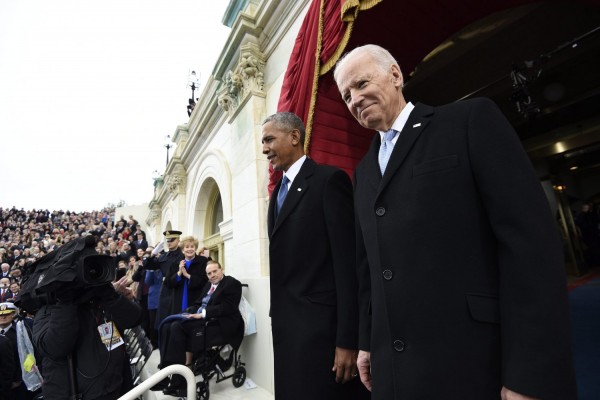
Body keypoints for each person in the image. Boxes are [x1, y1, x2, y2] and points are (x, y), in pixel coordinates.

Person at [333, 44, 577, 400]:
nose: (355, 98)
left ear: (396, 75)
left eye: (361, 83)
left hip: (473, 363)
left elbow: (530, 248)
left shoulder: (467, 122)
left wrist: (531, 373)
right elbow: (368, 268)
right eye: (346, 95)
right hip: (394, 373)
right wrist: (368, 342)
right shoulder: (364, 171)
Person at [262, 112, 368, 399]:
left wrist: (349, 340)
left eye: (270, 139)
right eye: (263, 141)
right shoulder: (276, 196)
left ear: (295, 137)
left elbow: (348, 267)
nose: (264, 149)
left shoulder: (328, 181)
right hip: (287, 332)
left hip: (322, 335)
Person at [33, 279, 141, 399]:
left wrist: (110, 295)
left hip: (118, 388)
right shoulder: (48, 310)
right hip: (73, 393)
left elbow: (133, 319)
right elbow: (55, 348)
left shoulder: (101, 303)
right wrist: (66, 301)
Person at [155, 260, 244, 395]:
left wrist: (202, 314)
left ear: (222, 270)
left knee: (175, 328)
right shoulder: (208, 284)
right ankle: (168, 372)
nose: (212, 275)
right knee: (168, 326)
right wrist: (188, 312)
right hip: (202, 320)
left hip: (219, 324)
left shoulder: (232, 284)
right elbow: (198, 302)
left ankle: (178, 381)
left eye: (215, 271)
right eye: (209, 273)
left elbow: (227, 307)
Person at [143, 230, 183, 325]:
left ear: (178, 240)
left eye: (172, 240)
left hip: (179, 288)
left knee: (177, 318)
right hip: (165, 289)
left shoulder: (183, 255)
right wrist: (153, 253)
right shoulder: (163, 257)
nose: (169, 243)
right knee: (163, 320)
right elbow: (147, 265)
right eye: (168, 241)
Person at [163, 236, 208, 315]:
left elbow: (205, 281)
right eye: (186, 247)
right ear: (183, 250)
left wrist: (188, 275)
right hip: (178, 300)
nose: (189, 249)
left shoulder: (202, 261)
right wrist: (179, 273)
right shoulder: (175, 263)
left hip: (196, 299)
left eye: (192, 246)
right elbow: (167, 283)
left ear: (195, 248)